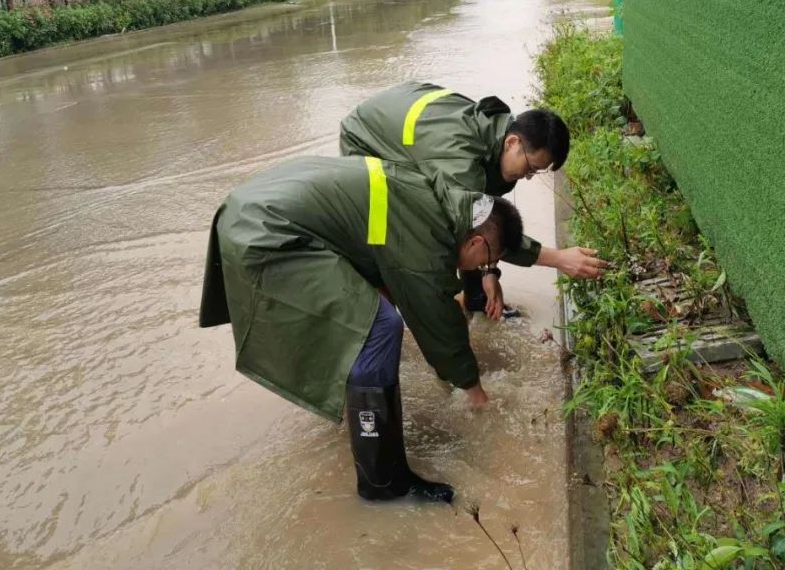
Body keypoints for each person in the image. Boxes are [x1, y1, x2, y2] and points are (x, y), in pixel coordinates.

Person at [199, 155, 524, 503]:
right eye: (488, 261)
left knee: (370, 309)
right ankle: (383, 484)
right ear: (475, 242)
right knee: (381, 327)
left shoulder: (436, 200)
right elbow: (436, 321)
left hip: (252, 210)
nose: (484, 268)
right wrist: (473, 388)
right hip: (267, 233)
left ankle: (356, 410)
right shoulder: (427, 237)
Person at [339, 81, 609, 318]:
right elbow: (470, 221)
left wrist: (490, 271)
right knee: (397, 240)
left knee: (463, 221)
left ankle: (473, 300)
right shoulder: (461, 158)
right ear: (513, 142)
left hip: (405, 119)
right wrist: (558, 258)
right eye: (530, 167)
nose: (528, 177)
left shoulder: (496, 134)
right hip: (367, 140)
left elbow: (485, 216)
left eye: (535, 172)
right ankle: (381, 320)